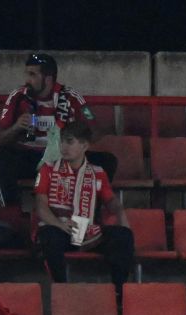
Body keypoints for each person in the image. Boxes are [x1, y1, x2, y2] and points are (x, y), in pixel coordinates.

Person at [35, 121, 136, 290]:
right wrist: (60, 225)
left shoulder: (97, 172)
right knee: (48, 235)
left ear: (84, 146)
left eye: (69, 141)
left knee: (123, 236)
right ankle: (61, 289)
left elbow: (111, 201)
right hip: (59, 229)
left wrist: (120, 213)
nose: (63, 146)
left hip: (88, 230)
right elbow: (40, 206)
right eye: (62, 141)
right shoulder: (48, 169)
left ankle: (119, 293)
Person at [0, 53, 108, 195]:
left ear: (48, 79)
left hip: (63, 157)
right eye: (27, 74)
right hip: (29, 157)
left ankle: (87, 207)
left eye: (32, 75)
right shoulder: (17, 96)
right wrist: (16, 127)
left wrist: (75, 138)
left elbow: (96, 131)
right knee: (2, 156)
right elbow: (0, 138)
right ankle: (12, 208)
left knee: (107, 161)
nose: (27, 80)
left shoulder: (71, 97)